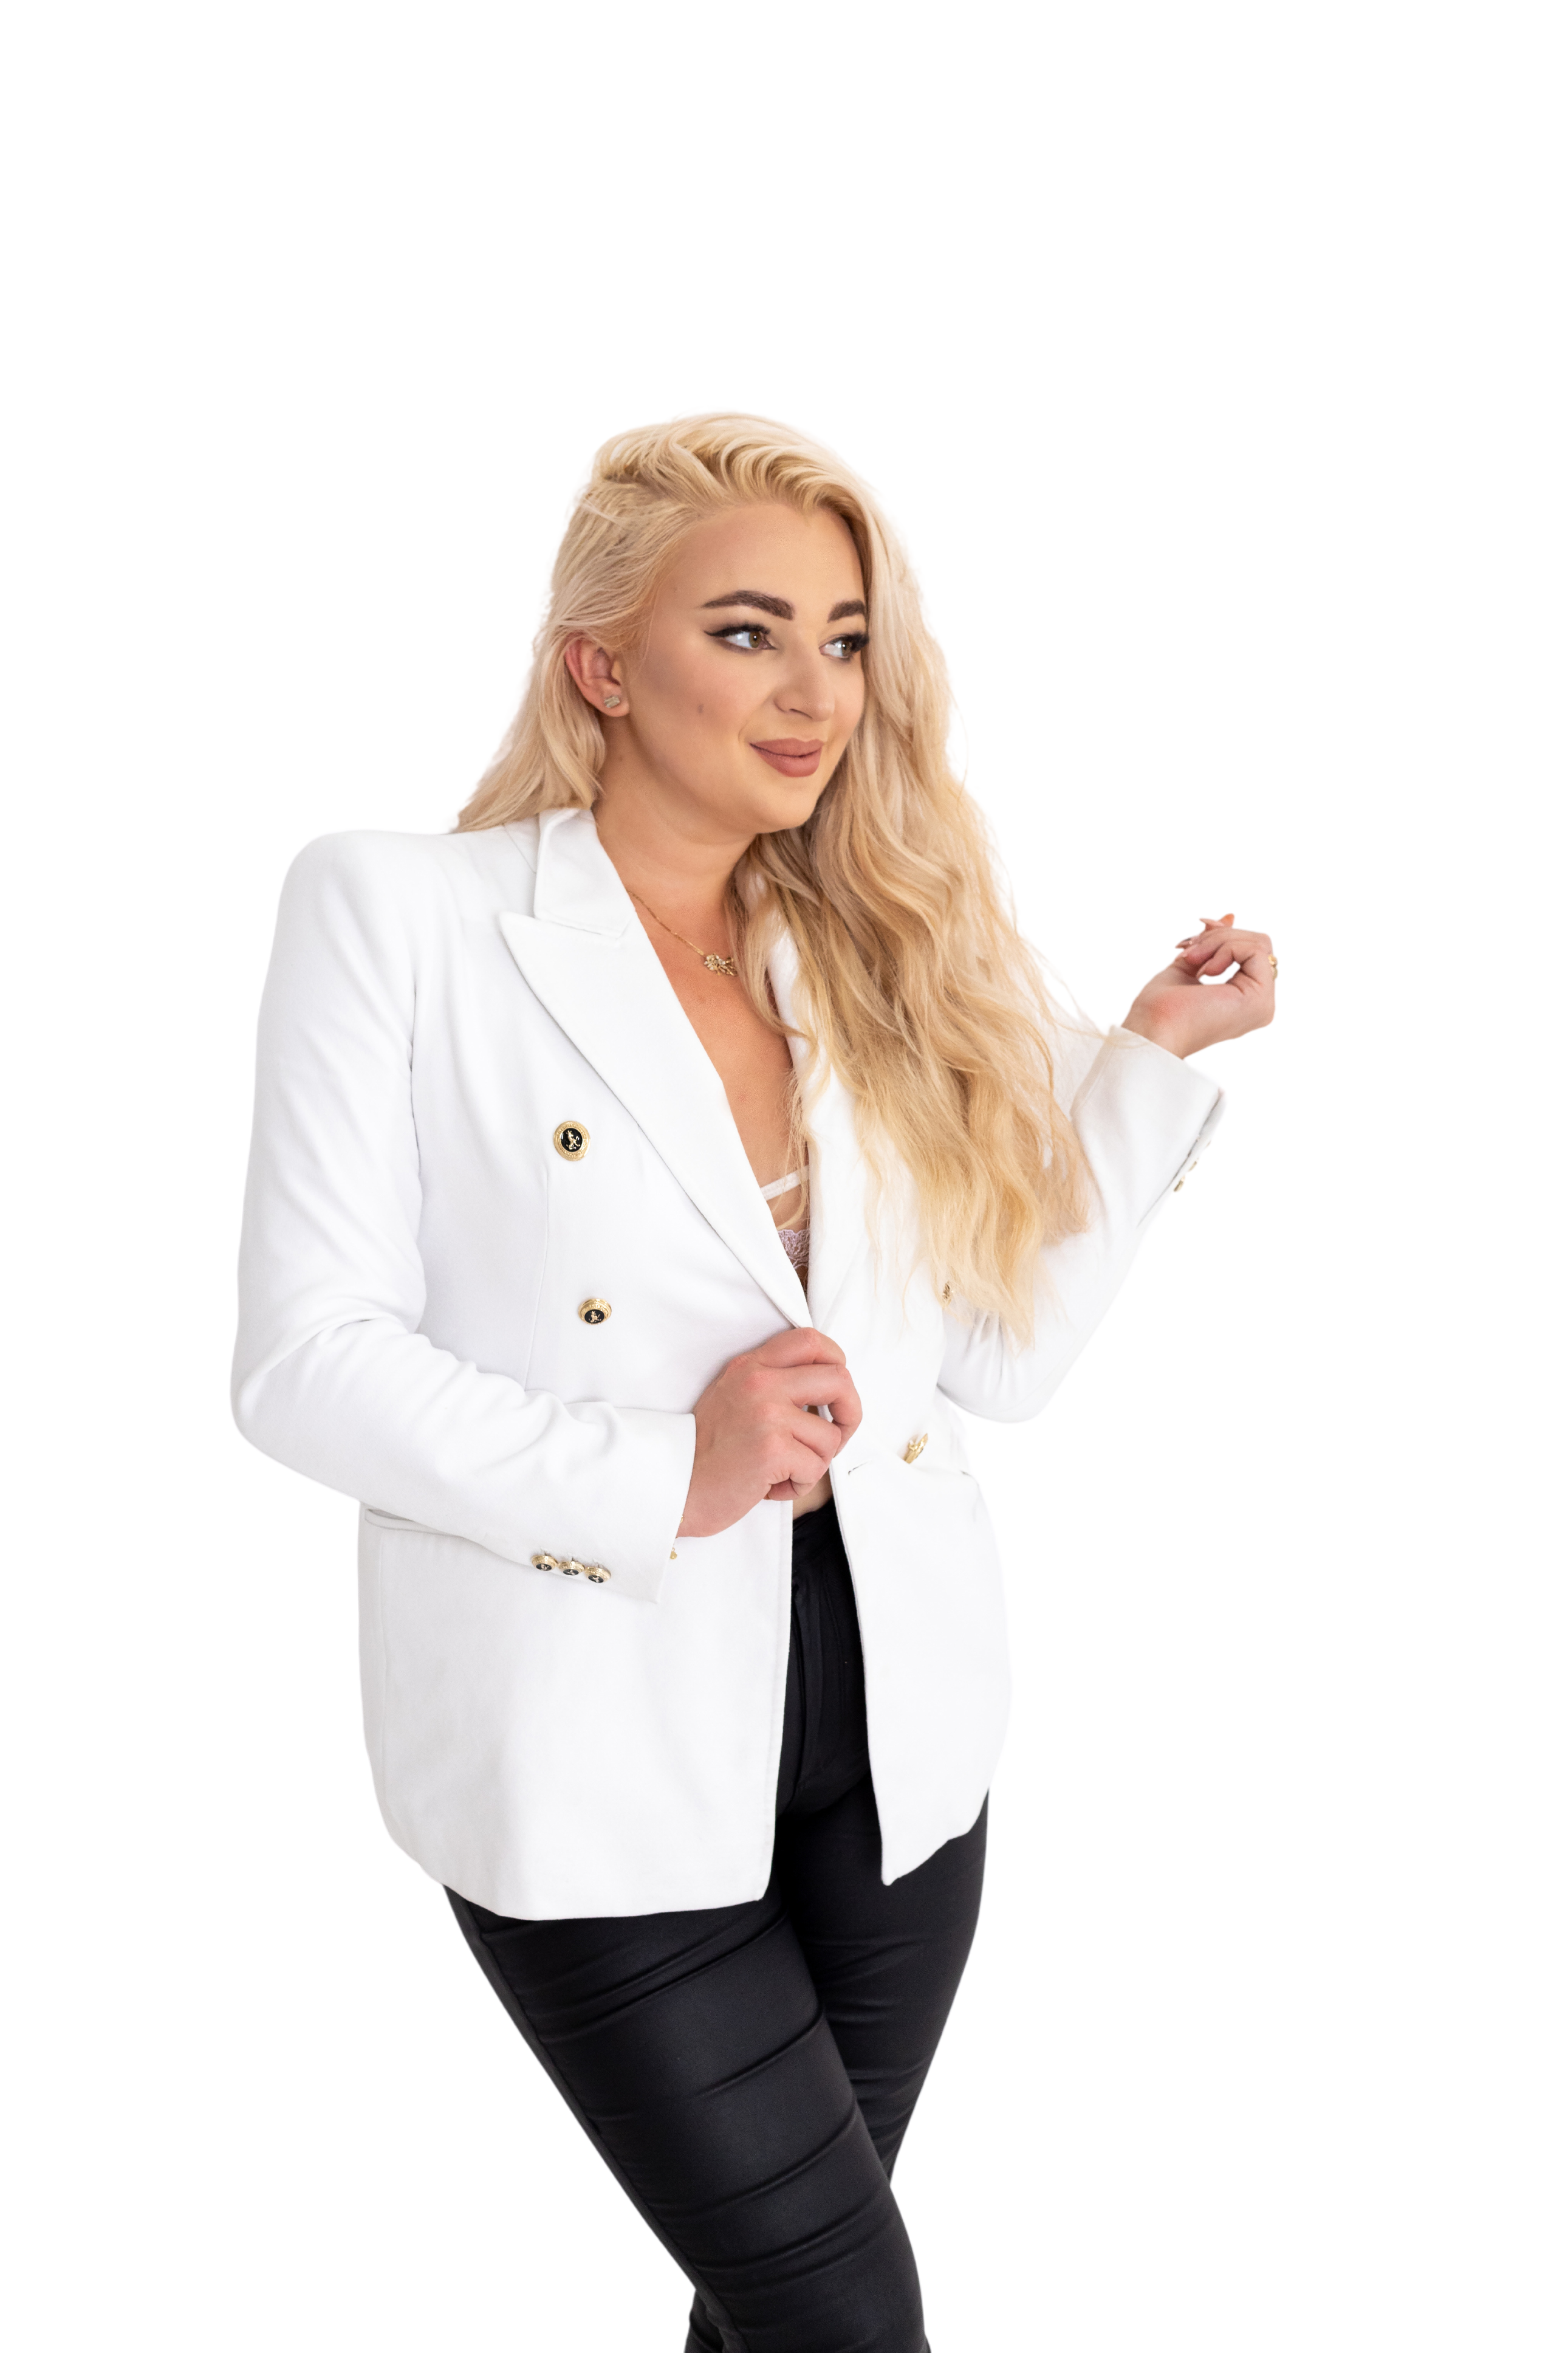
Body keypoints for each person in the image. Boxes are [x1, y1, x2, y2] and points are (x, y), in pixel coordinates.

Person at [231, 407, 1276, 2351]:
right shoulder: (398, 910)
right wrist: (669, 1467)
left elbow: (1002, 1366)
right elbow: (302, 1364)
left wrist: (1139, 1069)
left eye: (845, 638)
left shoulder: (868, 949)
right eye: (744, 632)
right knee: (841, 2326)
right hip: (588, 1743)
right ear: (599, 665)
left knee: (777, 2321)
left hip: (902, 1750)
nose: (813, 693)